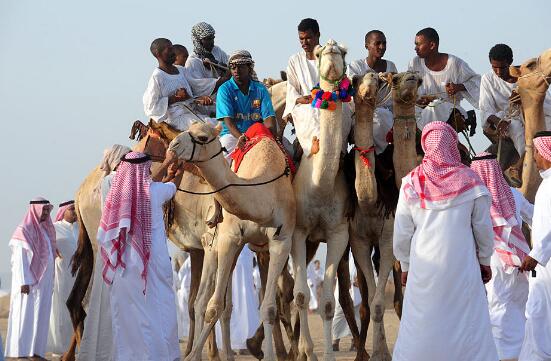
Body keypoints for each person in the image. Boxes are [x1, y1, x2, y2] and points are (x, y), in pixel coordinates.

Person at [392, 121, 498, 360]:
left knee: (421, 319)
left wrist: (405, 265)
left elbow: (402, 231)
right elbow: (483, 227)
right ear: (452, 144)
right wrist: (485, 259)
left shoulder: (411, 182)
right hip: (462, 264)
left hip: (423, 266)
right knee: (466, 319)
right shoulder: (470, 180)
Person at [98, 150, 184, 361]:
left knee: (129, 314)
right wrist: (177, 169)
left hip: (123, 266)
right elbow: (172, 187)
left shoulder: (117, 195)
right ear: (145, 169)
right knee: (159, 308)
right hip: (152, 261)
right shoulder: (154, 191)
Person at [471, 153, 533, 360]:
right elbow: (535, 217)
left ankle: (501, 355)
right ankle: (518, 353)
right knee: (517, 306)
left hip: (491, 260)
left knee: (496, 308)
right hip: (518, 259)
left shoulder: (475, 197)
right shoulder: (513, 194)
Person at [78, 144, 131, 361]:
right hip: (116, 245)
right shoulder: (115, 180)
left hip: (112, 245)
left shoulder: (110, 181)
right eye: (127, 158)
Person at [480, 44, 551, 187]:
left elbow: (545, 101)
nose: (498, 72)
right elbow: (485, 110)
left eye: (502, 67)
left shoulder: (527, 75)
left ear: (510, 62)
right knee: (516, 128)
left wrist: (526, 97)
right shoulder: (488, 79)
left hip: (533, 114)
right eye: (495, 67)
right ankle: (524, 167)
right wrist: (499, 122)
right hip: (508, 119)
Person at [284, 18, 353, 157]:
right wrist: (299, 99)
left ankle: (341, 152)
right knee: (312, 112)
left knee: (345, 112)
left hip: (332, 100)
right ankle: (313, 146)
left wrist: (335, 93)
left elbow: (343, 81)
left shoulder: (331, 56)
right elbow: (291, 88)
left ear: (318, 35)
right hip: (307, 105)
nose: (304, 42)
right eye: (301, 39)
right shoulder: (294, 60)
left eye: (308, 38)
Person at [5, 198, 57, 360]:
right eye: (44, 210)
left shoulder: (45, 230)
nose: (47, 214)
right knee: (25, 316)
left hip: (44, 283)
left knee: (41, 316)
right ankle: (20, 352)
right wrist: (24, 281)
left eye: (48, 210)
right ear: (35, 209)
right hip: (28, 284)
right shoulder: (24, 229)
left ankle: (36, 352)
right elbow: (20, 258)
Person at [518, 131, 551, 361]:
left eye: (537, 152)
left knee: (538, 313)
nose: (535, 157)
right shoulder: (545, 184)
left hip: (545, 264)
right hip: (544, 265)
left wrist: (536, 255)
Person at [408, 27, 480, 131]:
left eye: (418, 44)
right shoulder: (414, 63)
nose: (415, 48)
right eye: (415, 44)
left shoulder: (454, 63)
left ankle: (430, 136)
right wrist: (419, 100)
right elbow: (410, 90)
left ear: (432, 45)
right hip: (420, 111)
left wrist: (458, 87)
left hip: (449, 111)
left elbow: (477, 82)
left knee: (435, 106)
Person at [143, 38, 215, 131]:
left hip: (193, 113)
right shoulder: (157, 76)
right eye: (169, 50)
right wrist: (174, 98)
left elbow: (194, 89)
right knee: (212, 128)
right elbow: (150, 107)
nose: (173, 52)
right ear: (158, 54)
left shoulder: (181, 70)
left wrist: (198, 99)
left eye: (172, 48)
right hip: (177, 120)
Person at [216, 50, 275, 161]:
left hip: (258, 134)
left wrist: (271, 137)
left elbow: (269, 118)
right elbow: (228, 122)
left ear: (249, 68)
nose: (236, 71)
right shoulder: (224, 89)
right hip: (232, 136)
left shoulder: (260, 89)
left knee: (288, 153)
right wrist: (241, 137)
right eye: (233, 68)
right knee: (223, 161)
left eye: (241, 67)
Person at [348, 30, 398, 155]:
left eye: (384, 43)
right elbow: (353, 87)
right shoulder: (356, 66)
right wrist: (377, 80)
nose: (382, 47)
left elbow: (395, 92)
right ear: (367, 45)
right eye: (378, 43)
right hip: (361, 112)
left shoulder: (391, 66)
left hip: (387, 113)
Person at [47, 200, 79, 356]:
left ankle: (77, 345)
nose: (75, 212)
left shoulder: (82, 228)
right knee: (62, 312)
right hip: (62, 276)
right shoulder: (54, 228)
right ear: (63, 211)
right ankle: (61, 348)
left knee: (78, 311)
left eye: (76, 209)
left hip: (79, 276)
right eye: (72, 209)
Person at [185, 22, 230, 97]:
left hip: (225, 96)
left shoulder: (217, 50)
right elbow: (198, 88)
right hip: (207, 104)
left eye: (213, 38)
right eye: (208, 39)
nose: (212, 42)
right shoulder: (193, 61)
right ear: (198, 41)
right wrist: (225, 78)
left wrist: (216, 64)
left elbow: (230, 66)